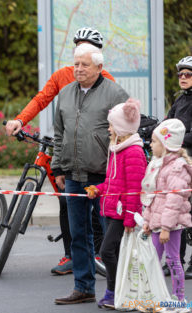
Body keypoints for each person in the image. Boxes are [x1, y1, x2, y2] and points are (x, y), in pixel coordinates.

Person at [5, 27, 113, 275]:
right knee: (68, 202)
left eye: (88, 49)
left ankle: (100, 255)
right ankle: (71, 256)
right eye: (79, 47)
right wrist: (20, 121)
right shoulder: (62, 75)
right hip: (67, 148)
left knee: (96, 204)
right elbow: (41, 99)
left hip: (95, 154)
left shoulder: (106, 80)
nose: (82, 54)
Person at [52, 43, 129, 305]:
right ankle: (83, 287)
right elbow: (59, 134)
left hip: (105, 177)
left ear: (99, 67)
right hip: (74, 175)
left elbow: (127, 134)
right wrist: (58, 167)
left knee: (110, 237)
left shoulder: (115, 93)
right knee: (78, 235)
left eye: (85, 64)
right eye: (76, 64)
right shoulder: (64, 93)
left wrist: (118, 174)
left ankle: (119, 289)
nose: (79, 69)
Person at [85, 99, 147, 308]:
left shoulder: (133, 152)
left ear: (121, 127)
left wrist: (130, 218)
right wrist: (98, 189)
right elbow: (112, 182)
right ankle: (121, 292)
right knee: (115, 253)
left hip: (123, 214)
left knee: (106, 251)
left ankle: (113, 291)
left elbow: (134, 189)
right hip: (113, 210)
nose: (109, 128)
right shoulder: (117, 149)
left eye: (111, 125)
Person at [142, 119, 192, 308]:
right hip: (156, 223)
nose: (151, 145)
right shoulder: (158, 164)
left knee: (172, 260)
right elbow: (152, 197)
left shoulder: (177, 168)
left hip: (170, 225)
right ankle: (156, 295)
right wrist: (147, 220)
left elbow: (174, 202)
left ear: (165, 145)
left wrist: (165, 228)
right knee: (153, 261)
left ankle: (178, 298)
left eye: (154, 141)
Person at [169, 56, 192, 279]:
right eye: (181, 75)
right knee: (178, 212)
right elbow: (167, 124)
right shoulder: (180, 100)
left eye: (188, 74)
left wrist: (177, 139)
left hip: (190, 161)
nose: (183, 78)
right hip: (178, 162)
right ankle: (175, 259)